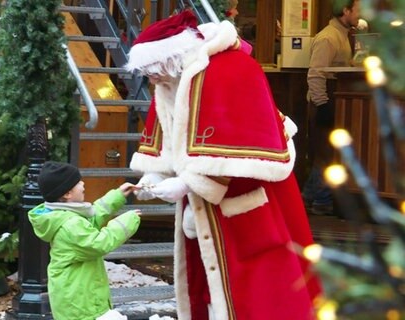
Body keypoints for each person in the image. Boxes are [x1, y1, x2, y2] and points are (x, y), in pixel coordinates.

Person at [125, 10, 322, 320]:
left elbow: (250, 157)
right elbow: (168, 140)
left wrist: (188, 183)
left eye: (151, 69)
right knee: (211, 294)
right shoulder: (169, 83)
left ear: (173, 57)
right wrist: (154, 175)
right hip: (204, 214)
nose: (149, 78)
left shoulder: (233, 71)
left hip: (249, 209)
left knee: (262, 299)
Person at [28, 161, 141, 320]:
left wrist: (118, 195)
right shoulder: (71, 224)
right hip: (80, 300)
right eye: (77, 182)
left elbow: (93, 216)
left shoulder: (63, 215)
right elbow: (99, 243)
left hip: (74, 293)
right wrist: (127, 221)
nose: (82, 183)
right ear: (67, 193)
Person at [304, 0, 361, 215]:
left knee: (326, 153)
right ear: (345, 11)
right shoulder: (328, 37)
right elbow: (315, 74)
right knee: (327, 153)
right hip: (324, 101)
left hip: (332, 100)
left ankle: (310, 196)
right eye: (357, 10)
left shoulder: (344, 35)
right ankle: (321, 201)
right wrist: (323, 105)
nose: (360, 14)